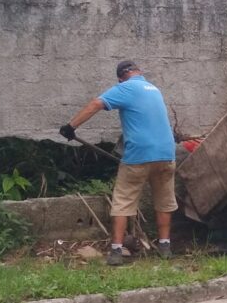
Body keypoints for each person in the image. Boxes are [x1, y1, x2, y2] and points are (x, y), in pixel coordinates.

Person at [59, 60, 177, 265]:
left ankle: (116, 251)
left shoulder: (126, 87)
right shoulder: (153, 89)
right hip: (167, 154)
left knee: (122, 201)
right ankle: (165, 246)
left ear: (121, 77)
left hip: (139, 154)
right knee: (164, 201)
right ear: (138, 72)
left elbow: (96, 103)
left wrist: (70, 126)